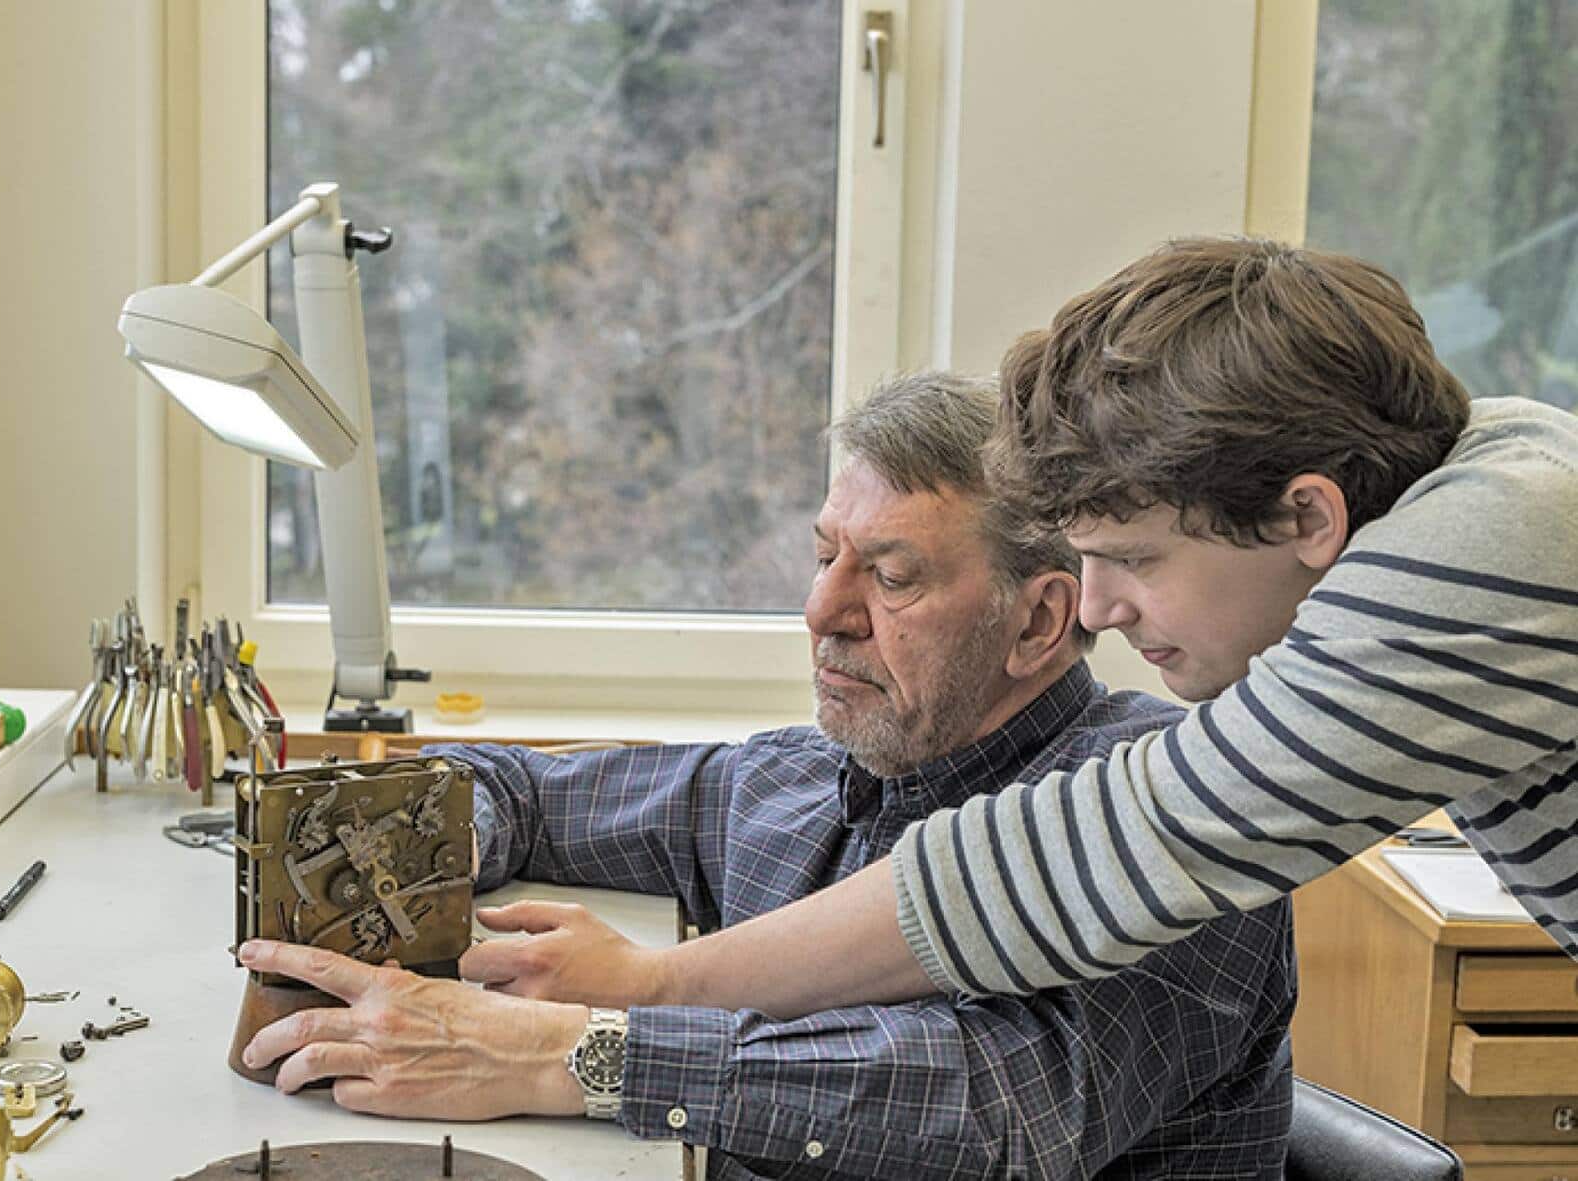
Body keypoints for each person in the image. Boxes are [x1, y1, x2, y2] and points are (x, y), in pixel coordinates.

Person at [237, 371, 1299, 1179]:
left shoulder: (1174, 820)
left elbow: (1004, 1103)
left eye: (889, 575)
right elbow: (512, 786)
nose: (823, 611)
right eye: (825, 555)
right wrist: (360, 849)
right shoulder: (801, 780)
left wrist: (573, 1051)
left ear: (1035, 620)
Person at [487, 235, 1577, 1021]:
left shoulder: (1496, 545)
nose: (1096, 608)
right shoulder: (1496, 462)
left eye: (1137, 558)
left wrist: (652, 987)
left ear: (1307, 515)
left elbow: (1097, 850)